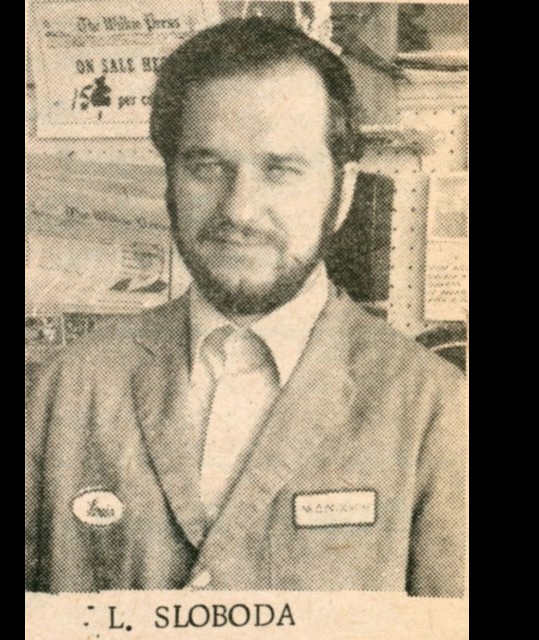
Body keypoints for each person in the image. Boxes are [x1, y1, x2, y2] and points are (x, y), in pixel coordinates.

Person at [25, 17, 466, 595]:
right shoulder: (67, 389)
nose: (239, 209)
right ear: (170, 182)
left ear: (344, 191)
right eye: (207, 168)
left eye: (281, 170)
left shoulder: (435, 408)